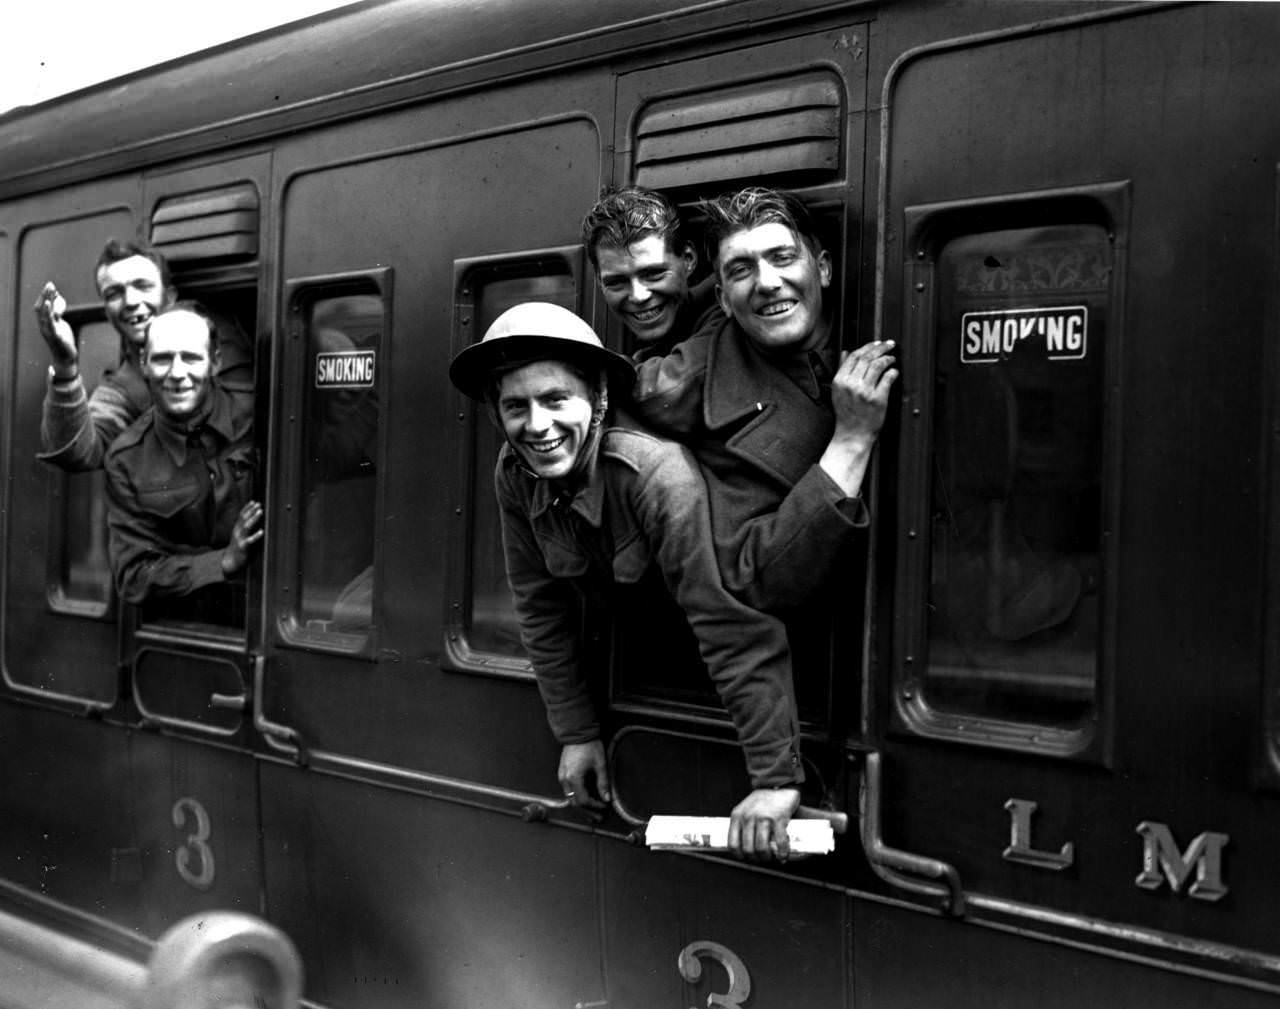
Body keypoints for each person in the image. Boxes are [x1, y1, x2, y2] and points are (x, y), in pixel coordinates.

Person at [450, 301, 803, 859]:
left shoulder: (652, 473)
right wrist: (576, 732)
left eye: (555, 399)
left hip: (715, 684)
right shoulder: (514, 474)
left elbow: (725, 622)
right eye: (516, 406)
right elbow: (541, 609)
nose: (537, 425)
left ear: (598, 399)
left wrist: (774, 780)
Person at [629, 187, 898, 612]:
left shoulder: (888, 317)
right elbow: (756, 577)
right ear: (723, 299)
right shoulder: (701, 395)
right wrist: (851, 439)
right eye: (741, 270)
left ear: (823, 269)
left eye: (783, 257)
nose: (768, 283)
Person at [34, 238, 251, 472]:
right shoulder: (123, 387)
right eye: (114, 293)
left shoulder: (222, 335)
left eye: (143, 286)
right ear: (107, 312)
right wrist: (65, 365)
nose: (131, 301)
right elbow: (79, 452)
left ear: (169, 297)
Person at [104, 303, 262, 616]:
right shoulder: (127, 459)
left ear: (214, 363)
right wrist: (223, 562)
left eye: (191, 357)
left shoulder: (260, 417)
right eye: (163, 359)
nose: (177, 374)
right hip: (187, 632)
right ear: (144, 364)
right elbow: (134, 577)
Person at [581, 186, 718, 360]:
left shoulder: (726, 315)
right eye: (616, 282)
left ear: (688, 259)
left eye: (654, 273)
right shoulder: (652, 351)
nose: (638, 296)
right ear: (600, 281)